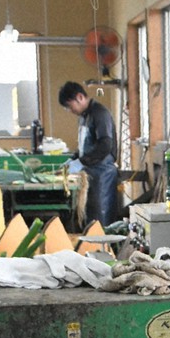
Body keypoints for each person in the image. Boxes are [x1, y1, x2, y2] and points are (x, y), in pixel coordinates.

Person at [57, 81, 119, 228]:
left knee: (100, 220)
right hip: (90, 174)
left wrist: (80, 163)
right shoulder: (84, 117)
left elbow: (105, 145)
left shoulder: (100, 114)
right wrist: (73, 159)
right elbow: (85, 147)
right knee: (90, 219)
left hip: (102, 176)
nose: (69, 110)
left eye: (69, 106)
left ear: (80, 97)